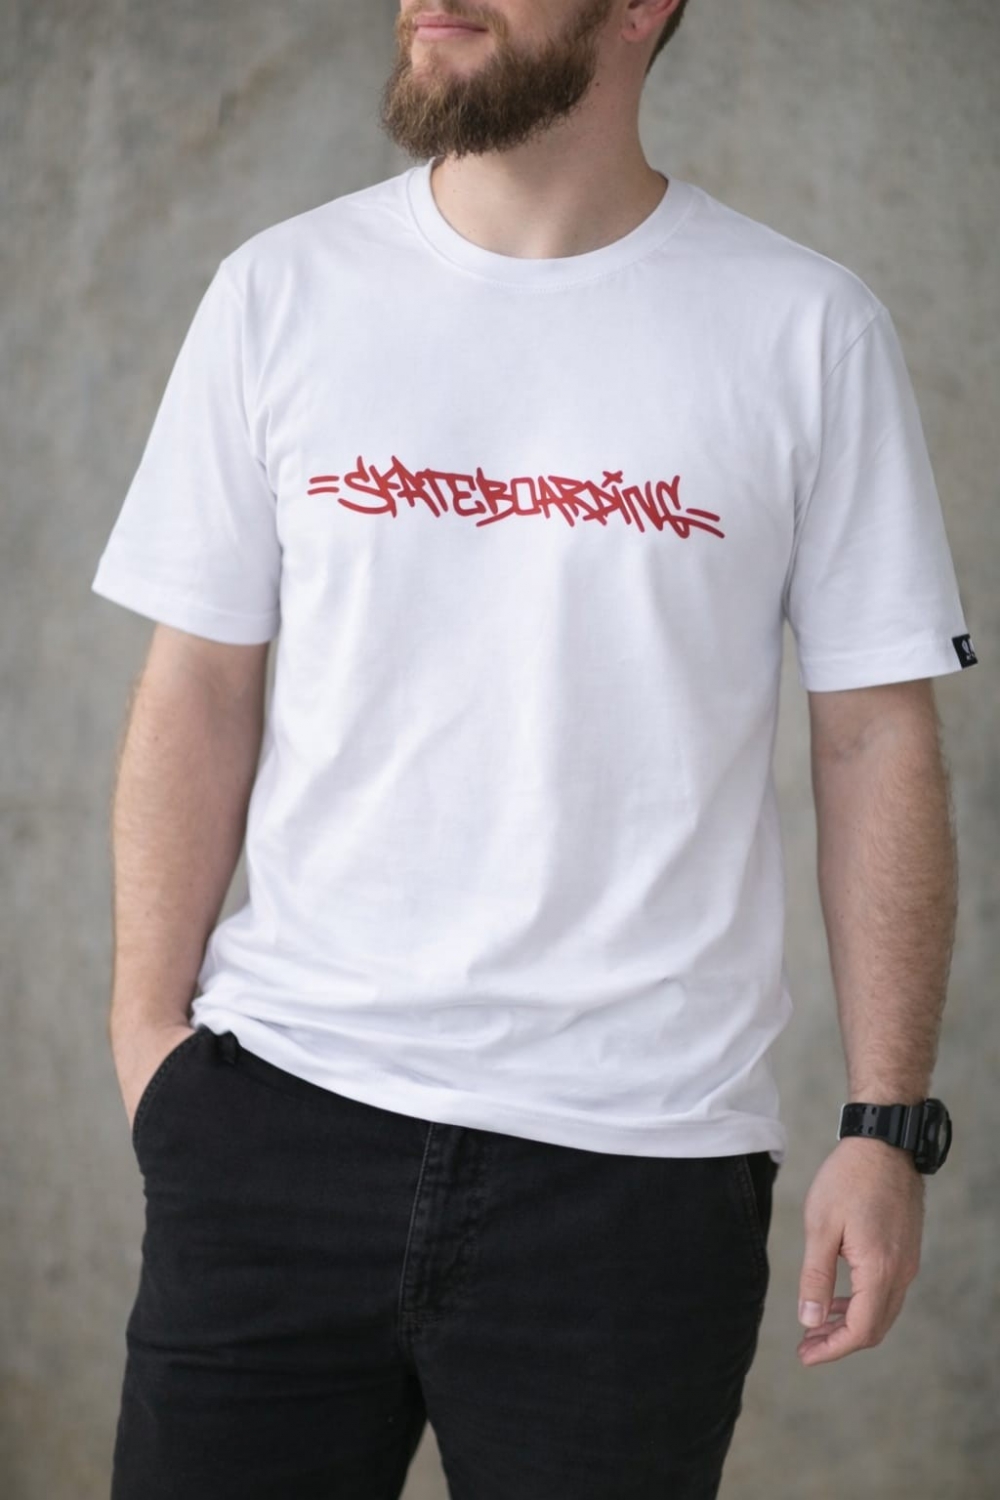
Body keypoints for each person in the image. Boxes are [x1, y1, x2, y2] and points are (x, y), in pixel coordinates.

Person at [92, 3, 976, 1496]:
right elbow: (201, 683)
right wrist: (146, 1044)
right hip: (277, 1127)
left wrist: (885, 1124)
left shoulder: (803, 327)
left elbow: (874, 739)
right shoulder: (281, 291)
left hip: (635, 1178)